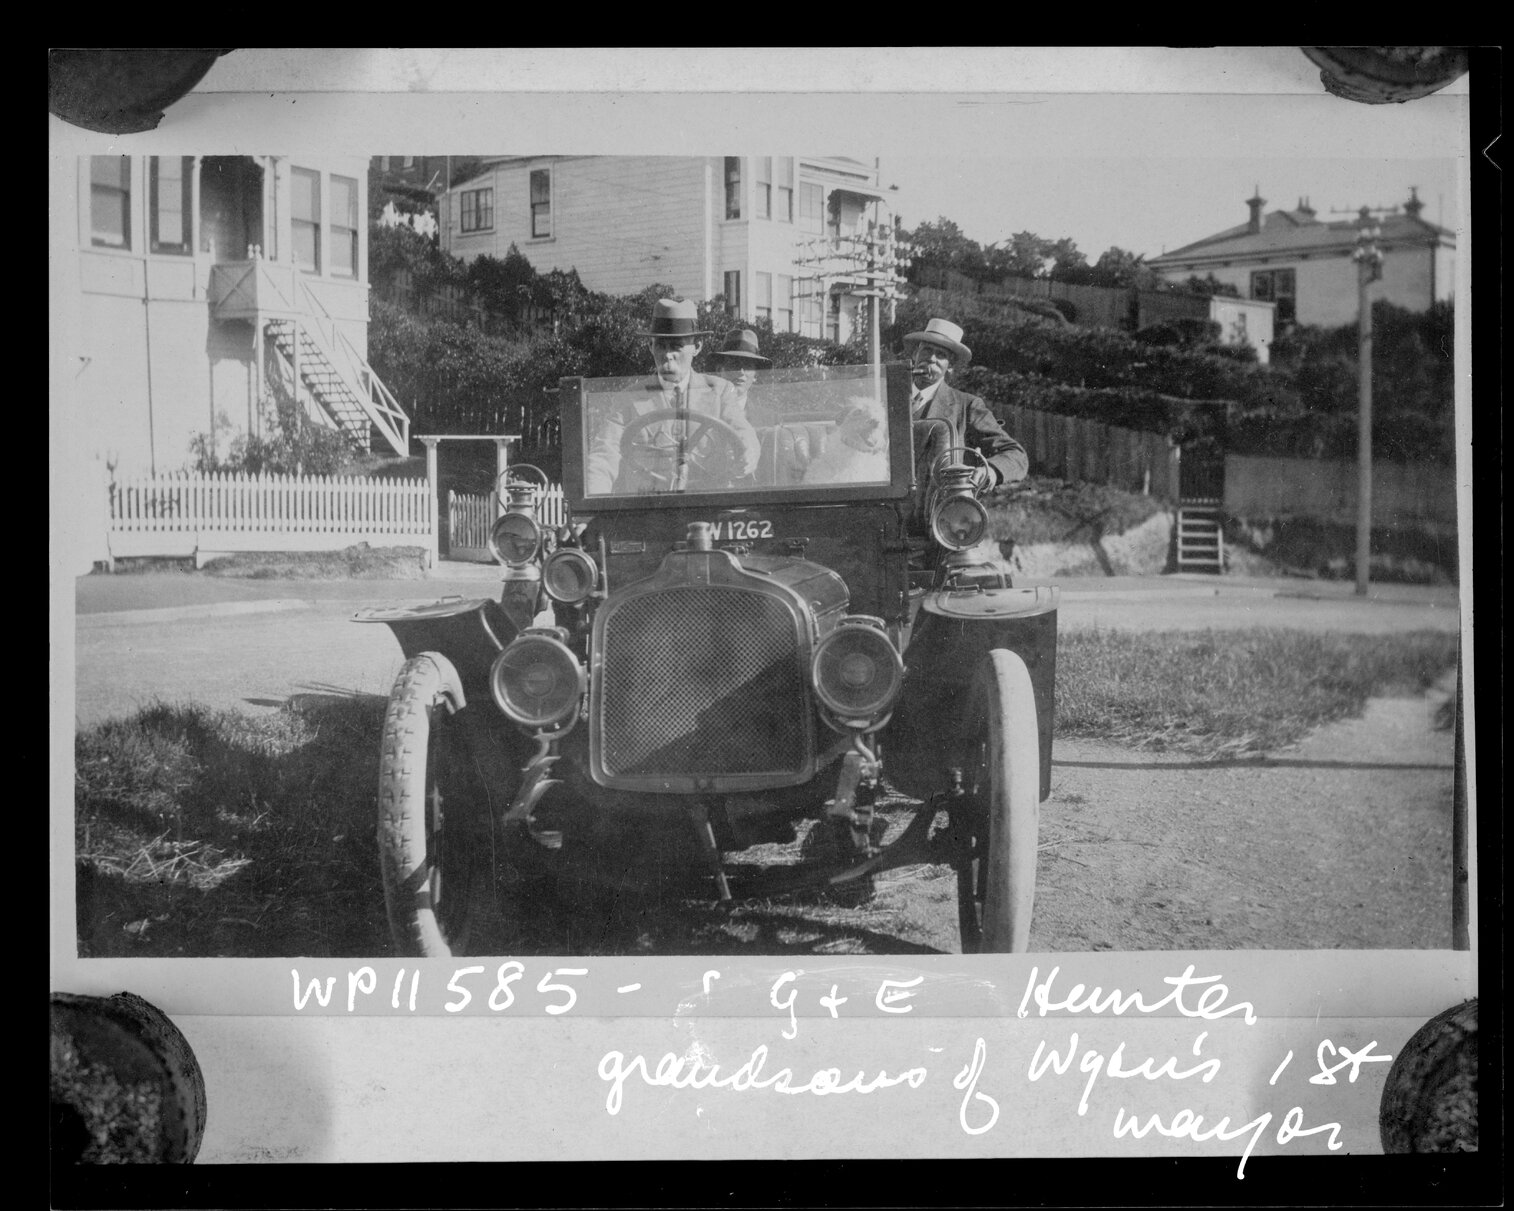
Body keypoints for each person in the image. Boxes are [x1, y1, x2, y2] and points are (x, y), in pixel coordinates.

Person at [585, 299, 762, 495]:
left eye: (676, 346)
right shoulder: (629, 399)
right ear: (651, 346)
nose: (668, 354)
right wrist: (591, 503)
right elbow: (604, 455)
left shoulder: (719, 391)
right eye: (661, 346)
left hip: (707, 509)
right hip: (648, 512)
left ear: (697, 347)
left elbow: (743, 432)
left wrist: (748, 452)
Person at [903, 317, 1028, 490]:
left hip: (936, 506)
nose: (931, 358)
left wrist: (989, 471)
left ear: (950, 365)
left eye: (941, 355)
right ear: (915, 354)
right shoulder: (889, 395)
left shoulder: (966, 406)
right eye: (926, 350)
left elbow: (1016, 454)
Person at [712, 327, 776, 425]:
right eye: (734, 364)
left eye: (748, 365)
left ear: (756, 374)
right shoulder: (703, 410)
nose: (741, 372)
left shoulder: (769, 419)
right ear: (719, 370)